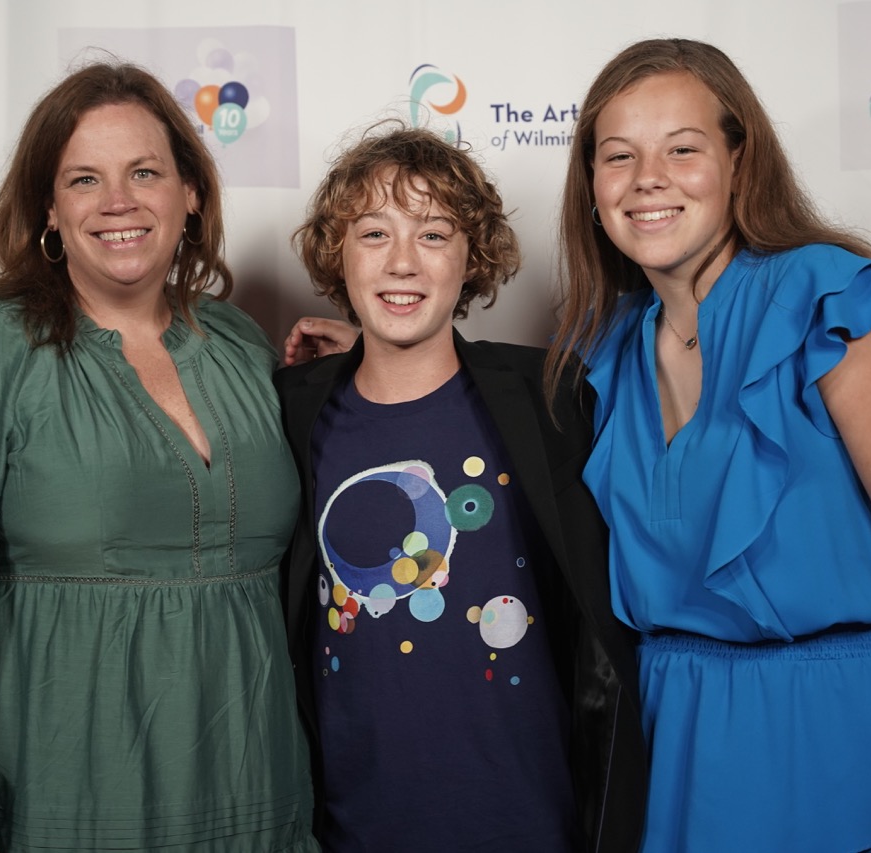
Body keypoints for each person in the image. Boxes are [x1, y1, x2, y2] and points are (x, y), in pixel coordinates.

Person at [0, 63, 317, 852]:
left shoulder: (240, 344)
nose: (117, 201)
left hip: (258, 799)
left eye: (144, 173)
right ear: (49, 210)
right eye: (84, 179)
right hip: (64, 801)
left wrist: (367, 366)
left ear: (192, 193)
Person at [548, 38, 871, 852]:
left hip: (840, 741)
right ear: (592, 186)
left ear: (740, 160)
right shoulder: (602, 350)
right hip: (669, 749)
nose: (647, 177)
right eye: (619, 155)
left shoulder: (828, 298)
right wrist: (375, 356)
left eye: (682, 149)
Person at [275, 124, 647, 852]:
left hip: (526, 820)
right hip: (354, 825)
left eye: (433, 234)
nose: (402, 261)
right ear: (337, 254)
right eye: (374, 233)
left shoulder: (552, 399)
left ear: (472, 256)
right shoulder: (292, 410)